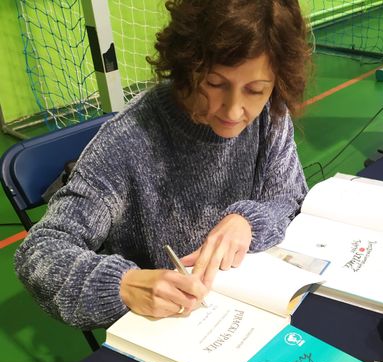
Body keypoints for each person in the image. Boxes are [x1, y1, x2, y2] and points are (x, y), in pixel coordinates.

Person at [14, 0, 312, 330]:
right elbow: (40, 252)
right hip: (176, 327)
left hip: (256, 310)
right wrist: (123, 284)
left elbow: (290, 197)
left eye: (255, 90)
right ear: (187, 64)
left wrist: (249, 221)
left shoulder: (270, 114)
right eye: (215, 84)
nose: (233, 110)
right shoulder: (128, 140)